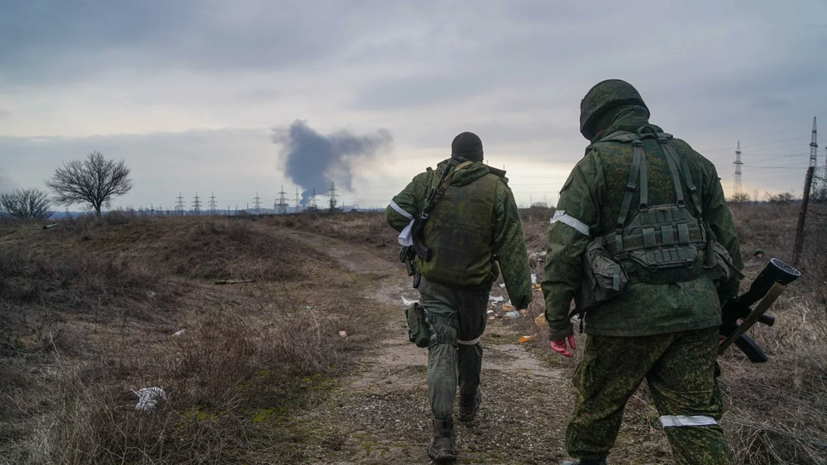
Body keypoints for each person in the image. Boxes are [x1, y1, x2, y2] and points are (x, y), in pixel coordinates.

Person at [541, 80, 743, 465]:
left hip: (624, 317)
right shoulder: (693, 159)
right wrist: (724, 307)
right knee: (695, 416)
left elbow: (564, 249)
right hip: (697, 311)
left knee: (598, 406)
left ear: (595, 123)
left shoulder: (596, 164)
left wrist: (557, 321)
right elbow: (728, 244)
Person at [385, 132, 532, 463]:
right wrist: (521, 296)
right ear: (481, 156)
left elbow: (393, 214)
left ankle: (443, 437)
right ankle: (467, 403)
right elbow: (512, 246)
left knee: (439, 348)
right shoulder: (497, 189)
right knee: (468, 344)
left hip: (434, 284)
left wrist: (421, 227)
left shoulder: (428, 181)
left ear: (451, 153)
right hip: (474, 289)